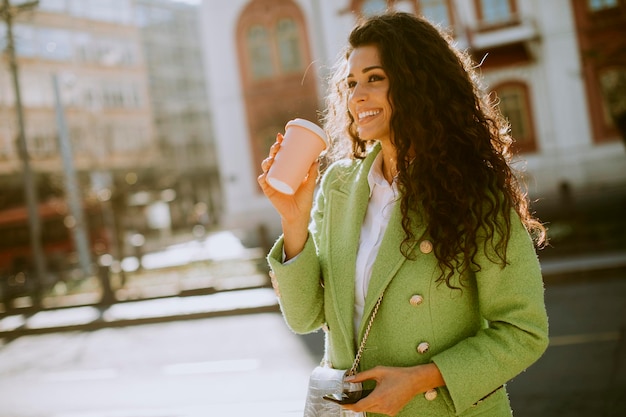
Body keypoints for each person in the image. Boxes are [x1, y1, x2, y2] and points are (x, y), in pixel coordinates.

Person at [257, 11, 549, 417]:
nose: (357, 96)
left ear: (419, 83)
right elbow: (306, 318)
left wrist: (419, 378)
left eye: (375, 78)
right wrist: (294, 218)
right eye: (352, 83)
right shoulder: (340, 186)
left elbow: (523, 331)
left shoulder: (473, 193)